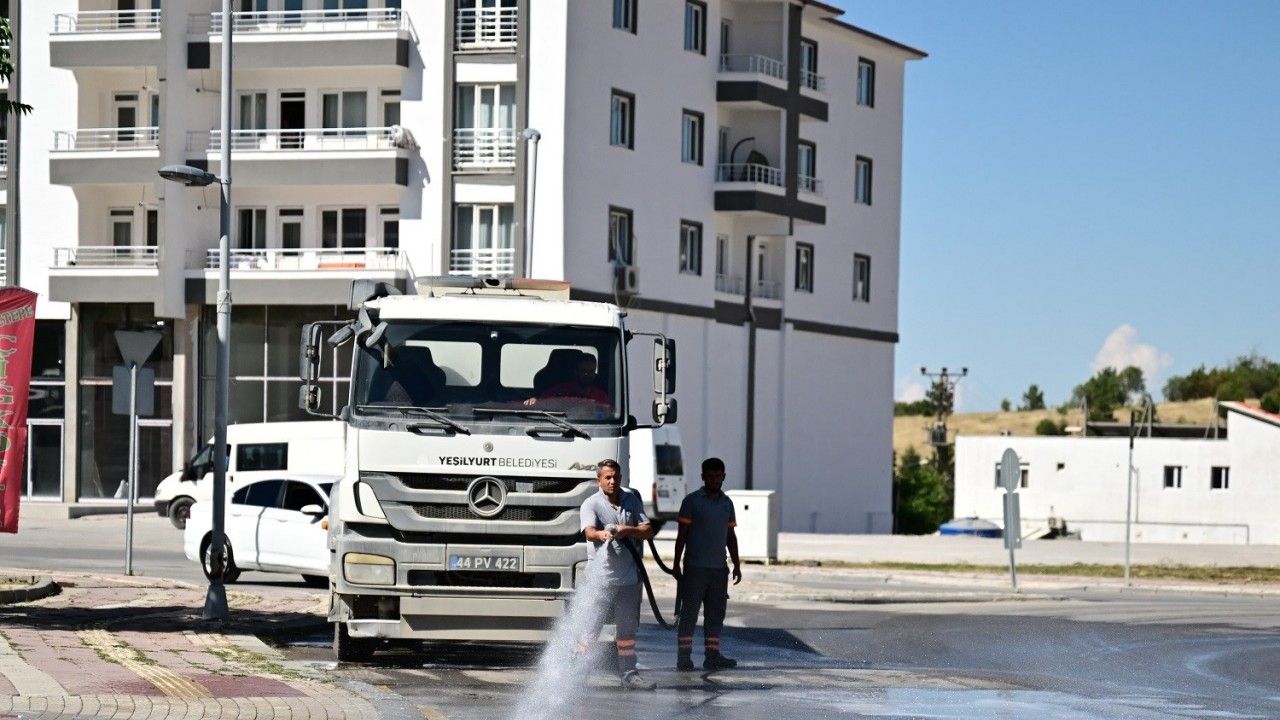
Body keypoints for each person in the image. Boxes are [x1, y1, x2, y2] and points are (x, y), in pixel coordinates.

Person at [579, 459, 657, 690]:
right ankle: (578, 672)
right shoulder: (591, 504)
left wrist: (626, 530)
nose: (612, 481)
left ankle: (629, 674)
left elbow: (648, 530)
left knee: (626, 630)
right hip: (601, 579)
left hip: (629, 579)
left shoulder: (631, 499)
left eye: (616, 477)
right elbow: (589, 532)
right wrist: (602, 535)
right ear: (599, 480)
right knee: (591, 626)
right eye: (608, 478)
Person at [672, 457, 742, 671]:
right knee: (689, 615)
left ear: (723, 477)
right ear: (703, 477)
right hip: (694, 569)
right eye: (710, 476)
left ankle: (712, 656)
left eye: (718, 476)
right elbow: (681, 536)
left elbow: (730, 536)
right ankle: (684, 657)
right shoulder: (692, 501)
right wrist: (676, 564)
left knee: (715, 615)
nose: (714, 480)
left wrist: (737, 564)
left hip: (719, 571)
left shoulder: (727, 504)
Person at [526, 353, 610, 407]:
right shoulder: (558, 391)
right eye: (583, 371)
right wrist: (534, 401)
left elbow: (608, 415)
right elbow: (541, 404)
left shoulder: (601, 396)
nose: (587, 375)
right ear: (576, 372)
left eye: (591, 371)